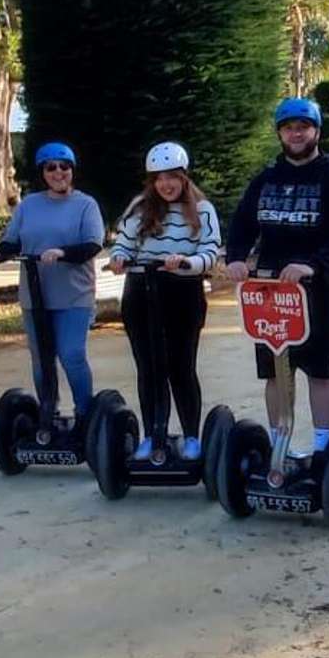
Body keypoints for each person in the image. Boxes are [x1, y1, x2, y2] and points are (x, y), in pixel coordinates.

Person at [222, 97, 329, 455]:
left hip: (318, 291)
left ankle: (322, 448)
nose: (296, 134)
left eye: (303, 127)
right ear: (280, 133)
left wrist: (312, 265)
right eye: (289, 128)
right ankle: (279, 446)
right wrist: (237, 258)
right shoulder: (266, 179)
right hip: (270, 292)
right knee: (275, 372)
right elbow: (241, 224)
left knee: (320, 372)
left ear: (316, 131)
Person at [107, 142, 222, 461]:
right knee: (148, 367)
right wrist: (119, 259)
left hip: (181, 292)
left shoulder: (202, 209)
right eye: (159, 178)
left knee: (181, 366)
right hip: (141, 291)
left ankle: (191, 437)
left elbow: (210, 252)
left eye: (172, 176)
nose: (165, 184)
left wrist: (186, 262)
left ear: (184, 177)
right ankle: (151, 434)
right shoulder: (140, 207)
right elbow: (124, 244)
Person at [0, 143, 106, 426]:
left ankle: (85, 414)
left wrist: (62, 252)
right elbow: (13, 241)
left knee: (71, 354)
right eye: (51, 167)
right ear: (43, 172)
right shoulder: (29, 205)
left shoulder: (85, 205)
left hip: (74, 295)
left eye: (64, 167)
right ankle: (48, 412)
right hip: (35, 297)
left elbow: (92, 245)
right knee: (41, 358)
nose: (58, 172)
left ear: (72, 171)